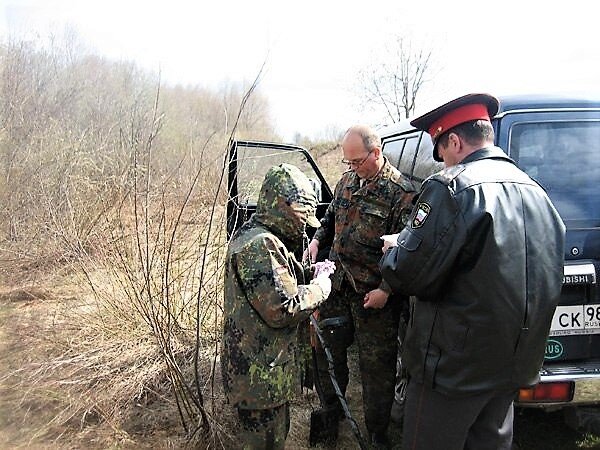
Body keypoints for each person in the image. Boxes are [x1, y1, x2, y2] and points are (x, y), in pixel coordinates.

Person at [379, 93, 566, 450]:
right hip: (509, 366)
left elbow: (407, 273)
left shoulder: (452, 187)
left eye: (443, 152)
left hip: (451, 372)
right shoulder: (537, 192)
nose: (444, 162)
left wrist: (396, 248)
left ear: (454, 140)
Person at [304, 124, 415, 448]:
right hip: (337, 288)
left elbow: (408, 251)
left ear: (376, 153)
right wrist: (316, 241)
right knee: (327, 356)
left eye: (356, 162)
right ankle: (331, 412)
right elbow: (330, 220)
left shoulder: (401, 193)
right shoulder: (346, 182)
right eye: (347, 163)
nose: (351, 168)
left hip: (374, 296)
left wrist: (387, 290)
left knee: (377, 369)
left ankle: (377, 432)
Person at [222, 163, 333, 450]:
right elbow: (282, 309)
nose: (303, 227)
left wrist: (309, 274)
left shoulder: (259, 234)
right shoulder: (260, 245)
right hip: (259, 380)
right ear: (285, 208)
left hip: (263, 375)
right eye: (301, 218)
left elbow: (276, 282)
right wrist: (320, 289)